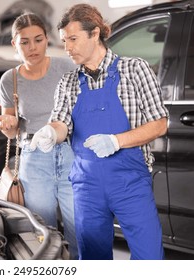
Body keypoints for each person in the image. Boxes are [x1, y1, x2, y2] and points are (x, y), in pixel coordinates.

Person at [30, 4, 169, 260]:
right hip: (87, 185)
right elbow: (61, 123)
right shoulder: (68, 82)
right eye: (63, 41)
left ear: (95, 34)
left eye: (73, 39)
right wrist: (50, 132)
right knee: (93, 261)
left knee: (150, 257)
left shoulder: (135, 70)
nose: (67, 47)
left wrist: (117, 141)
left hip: (130, 183)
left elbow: (159, 123)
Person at [0, 12, 78, 259]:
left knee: (80, 228)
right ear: (14, 45)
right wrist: (8, 124)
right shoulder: (10, 80)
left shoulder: (66, 67)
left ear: (47, 39)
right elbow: (11, 129)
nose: (33, 48)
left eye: (38, 39)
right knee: (45, 232)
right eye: (25, 42)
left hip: (70, 153)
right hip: (34, 157)